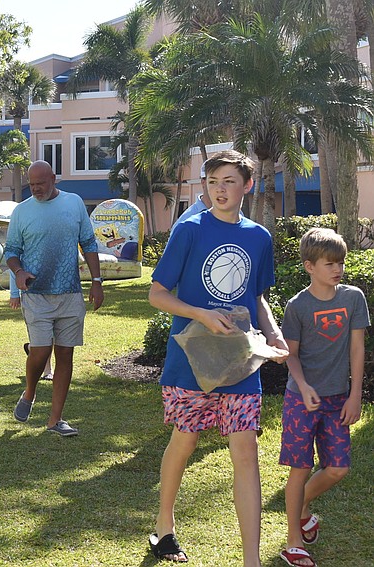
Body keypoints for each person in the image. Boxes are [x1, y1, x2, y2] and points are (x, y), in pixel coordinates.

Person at [147, 150, 288, 565]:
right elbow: (157, 293)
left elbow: (257, 298)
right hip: (190, 361)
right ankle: (164, 525)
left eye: (228, 181)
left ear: (247, 185)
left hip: (241, 363)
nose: (219, 190)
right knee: (185, 441)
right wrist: (201, 314)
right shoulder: (189, 230)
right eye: (212, 182)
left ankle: (251, 560)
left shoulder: (259, 237)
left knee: (245, 451)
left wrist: (274, 337)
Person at [278, 228, 369, 567]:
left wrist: (354, 395)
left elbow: (357, 349)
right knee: (300, 469)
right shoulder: (297, 306)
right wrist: (302, 385)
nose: (337, 270)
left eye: (340, 263)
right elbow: (292, 354)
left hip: (338, 399)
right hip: (301, 400)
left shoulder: (353, 298)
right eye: (330, 264)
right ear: (309, 266)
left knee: (338, 469)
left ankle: (301, 508)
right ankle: (293, 543)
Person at [4, 160, 104, 437]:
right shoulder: (22, 211)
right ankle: (30, 392)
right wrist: (19, 271)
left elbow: (89, 243)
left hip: (70, 293)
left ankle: (55, 420)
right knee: (40, 351)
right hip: (36, 295)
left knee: (65, 354)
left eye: (41, 183)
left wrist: (96, 282)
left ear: (54, 179)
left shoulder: (74, 203)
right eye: (32, 185)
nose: (36, 189)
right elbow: (11, 250)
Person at [9, 271, 53, 380]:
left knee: (53, 335)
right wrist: (14, 293)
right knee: (44, 335)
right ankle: (47, 370)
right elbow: (13, 268)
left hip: (56, 293)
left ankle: (32, 348)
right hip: (32, 296)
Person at [171, 160, 212, 232]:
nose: (221, 187)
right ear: (203, 183)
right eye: (213, 181)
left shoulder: (236, 217)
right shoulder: (186, 222)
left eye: (228, 181)